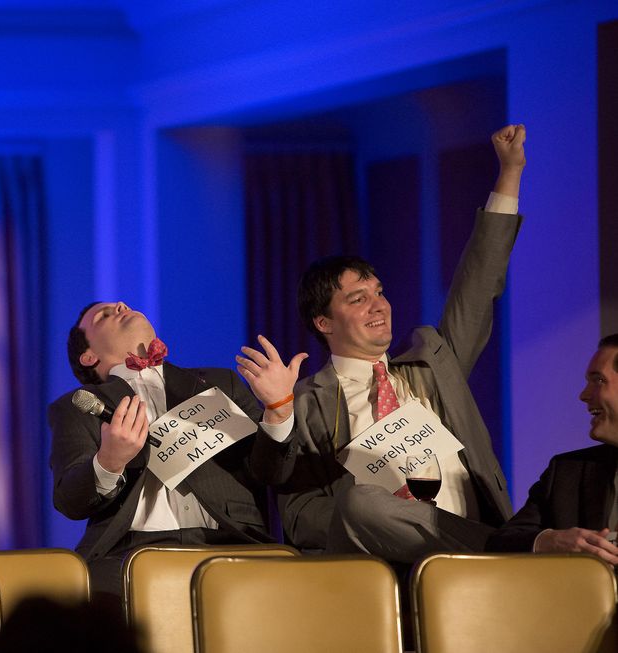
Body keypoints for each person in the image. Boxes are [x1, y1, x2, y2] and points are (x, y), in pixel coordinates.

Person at [280, 124, 526, 561]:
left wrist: (509, 173)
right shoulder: (307, 400)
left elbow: (479, 285)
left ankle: (500, 545)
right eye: (359, 299)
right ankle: (513, 547)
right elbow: (299, 514)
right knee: (361, 502)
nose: (379, 306)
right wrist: (372, 514)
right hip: (382, 562)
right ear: (323, 322)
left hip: (473, 553)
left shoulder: (431, 366)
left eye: (380, 292)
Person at [50, 301, 306, 602]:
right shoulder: (78, 406)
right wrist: (110, 461)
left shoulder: (221, 383)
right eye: (103, 315)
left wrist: (278, 410)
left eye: (121, 304)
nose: (120, 305)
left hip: (232, 540)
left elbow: (272, 472)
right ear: (89, 356)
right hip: (128, 552)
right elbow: (70, 500)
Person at [487, 334, 618, 563]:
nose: (584, 395)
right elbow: (499, 542)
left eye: (598, 380)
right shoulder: (567, 472)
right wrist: (550, 542)